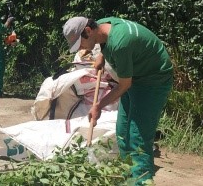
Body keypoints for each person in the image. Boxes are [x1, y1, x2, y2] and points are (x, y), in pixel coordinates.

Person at [63, 16, 173, 184]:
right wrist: (101, 56)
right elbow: (105, 45)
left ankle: (141, 181)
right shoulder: (103, 24)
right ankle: (128, 176)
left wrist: (98, 106)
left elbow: (123, 86)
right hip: (136, 75)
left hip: (153, 80)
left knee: (137, 137)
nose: (82, 48)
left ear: (87, 31)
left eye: (81, 43)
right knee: (122, 131)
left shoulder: (121, 43)